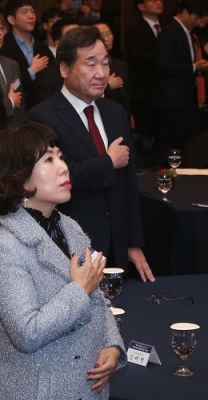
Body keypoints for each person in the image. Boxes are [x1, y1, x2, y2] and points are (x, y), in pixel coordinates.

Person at [0, 124, 125, 400]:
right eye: (48, 160)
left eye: (61, 157)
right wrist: (77, 290)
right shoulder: (4, 249)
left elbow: (97, 300)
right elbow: (27, 333)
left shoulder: (70, 228)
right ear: (18, 177)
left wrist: (112, 346)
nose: (63, 167)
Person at [29, 27, 153, 282]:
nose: (101, 73)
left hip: (117, 241)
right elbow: (49, 180)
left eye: (105, 64)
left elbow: (129, 181)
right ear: (64, 69)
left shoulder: (114, 111)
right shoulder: (42, 116)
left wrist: (133, 242)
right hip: (73, 243)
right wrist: (107, 162)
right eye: (90, 64)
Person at [156, 0, 208, 149]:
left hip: (185, 98)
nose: (198, 21)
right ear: (186, 12)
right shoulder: (170, 32)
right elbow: (163, 65)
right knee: (172, 143)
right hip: (172, 99)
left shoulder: (189, 33)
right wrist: (194, 67)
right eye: (196, 17)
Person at [0, 0, 55, 110]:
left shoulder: (42, 47)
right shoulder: (4, 47)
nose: (31, 16)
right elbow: (9, 84)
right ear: (11, 19)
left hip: (43, 107)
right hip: (18, 110)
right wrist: (32, 71)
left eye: (32, 11)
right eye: (25, 12)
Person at [124, 0, 163, 140]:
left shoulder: (166, 27)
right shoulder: (134, 29)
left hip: (162, 92)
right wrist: (164, 52)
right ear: (141, 7)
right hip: (144, 92)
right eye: (152, 0)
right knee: (146, 134)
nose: (158, 2)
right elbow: (138, 58)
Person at [97, 22, 131, 115]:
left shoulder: (120, 65)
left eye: (109, 34)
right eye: (102, 35)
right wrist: (107, 86)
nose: (107, 38)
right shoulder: (90, 65)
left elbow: (126, 97)